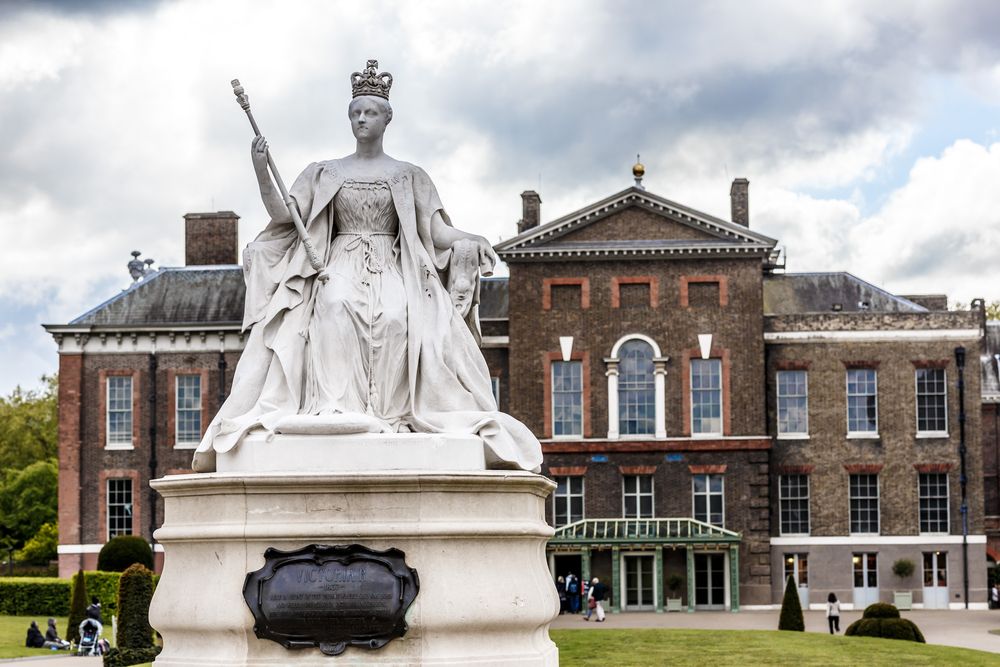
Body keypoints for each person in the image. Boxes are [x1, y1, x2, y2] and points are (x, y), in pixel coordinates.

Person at [193, 59, 541, 474]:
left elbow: (435, 231)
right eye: (356, 112)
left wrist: (473, 238)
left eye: (370, 112)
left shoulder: (408, 175)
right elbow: (285, 216)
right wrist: (261, 172)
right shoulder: (324, 172)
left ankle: (387, 413)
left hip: (391, 264)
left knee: (396, 315)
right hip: (338, 261)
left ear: (386, 118)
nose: (362, 119)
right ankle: (334, 407)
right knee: (335, 305)